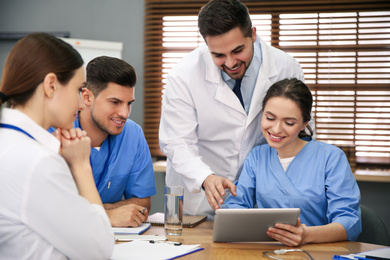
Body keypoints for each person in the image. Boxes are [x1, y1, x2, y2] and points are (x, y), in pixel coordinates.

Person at [159, 0, 309, 218]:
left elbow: (301, 129)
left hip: (261, 197)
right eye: (218, 55)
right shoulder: (183, 76)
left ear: (253, 35)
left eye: (238, 50)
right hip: (199, 199)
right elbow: (176, 142)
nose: (230, 63)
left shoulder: (286, 67)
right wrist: (206, 178)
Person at [0, 33, 114, 259]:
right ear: (51, 85)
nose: (82, 104)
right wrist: (82, 165)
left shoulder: (12, 144)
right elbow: (100, 249)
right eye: (77, 89)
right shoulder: (37, 162)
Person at [223, 78, 361, 246]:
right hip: (265, 252)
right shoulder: (257, 157)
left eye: (289, 122)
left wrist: (306, 235)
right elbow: (235, 208)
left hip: (318, 252)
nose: (276, 129)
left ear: (304, 124)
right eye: (270, 118)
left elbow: (349, 222)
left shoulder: (331, 158)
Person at [73, 56, 156, 227]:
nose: (124, 113)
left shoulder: (133, 134)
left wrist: (98, 211)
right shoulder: (59, 132)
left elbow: (143, 204)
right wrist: (106, 215)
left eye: (128, 104)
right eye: (115, 102)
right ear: (87, 97)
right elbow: (45, 208)